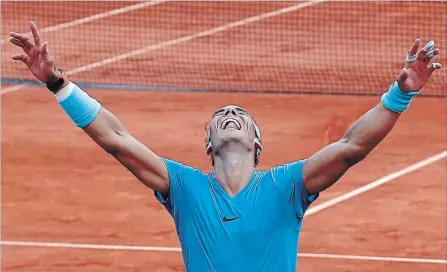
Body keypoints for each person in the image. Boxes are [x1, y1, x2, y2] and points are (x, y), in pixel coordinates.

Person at [10, 21, 441, 271]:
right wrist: (56, 82)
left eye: (240, 114)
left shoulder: (288, 185)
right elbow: (117, 140)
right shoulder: (183, 188)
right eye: (220, 116)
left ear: (257, 142)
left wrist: (399, 95)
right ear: (209, 145)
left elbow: (351, 145)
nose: (229, 114)